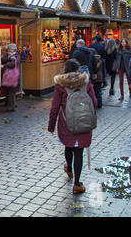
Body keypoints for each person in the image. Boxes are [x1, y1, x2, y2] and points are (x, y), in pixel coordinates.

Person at [48, 59, 97, 194]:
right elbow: (94, 102)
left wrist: (51, 125)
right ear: (77, 70)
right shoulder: (86, 83)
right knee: (79, 151)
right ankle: (77, 184)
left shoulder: (60, 85)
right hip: (83, 121)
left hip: (66, 122)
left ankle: (69, 168)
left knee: (68, 145)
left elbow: (54, 107)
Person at [1, 43, 20, 112]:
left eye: (11, 49)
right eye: (8, 49)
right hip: (6, 76)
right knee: (7, 90)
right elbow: (3, 59)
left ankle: (11, 106)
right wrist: (9, 58)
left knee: (12, 91)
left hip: (13, 76)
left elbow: (13, 64)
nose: (9, 50)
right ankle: (8, 103)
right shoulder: (7, 55)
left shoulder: (17, 55)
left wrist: (5, 65)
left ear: (14, 49)